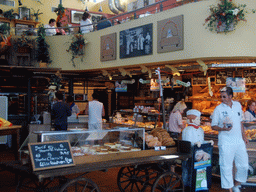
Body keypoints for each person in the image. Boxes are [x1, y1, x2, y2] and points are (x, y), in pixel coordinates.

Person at [211, 87, 248, 192]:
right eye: (221, 96)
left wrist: (244, 136)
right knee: (226, 166)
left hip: (238, 140)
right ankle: (230, 189)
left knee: (244, 165)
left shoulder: (237, 105)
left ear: (231, 96)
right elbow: (213, 126)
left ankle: (236, 185)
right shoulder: (218, 109)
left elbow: (240, 122)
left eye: (224, 96)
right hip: (226, 141)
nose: (222, 99)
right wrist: (223, 128)